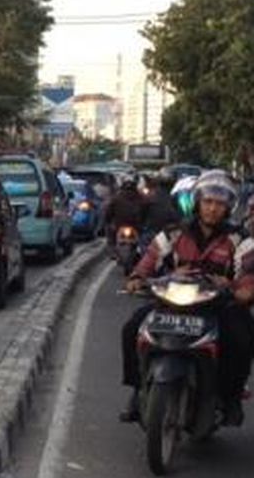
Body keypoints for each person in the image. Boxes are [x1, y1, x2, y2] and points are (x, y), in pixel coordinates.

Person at [118, 170, 254, 425]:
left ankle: (230, 397)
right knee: (131, 328)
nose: (212, 209)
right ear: (197, 202)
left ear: (228, 208)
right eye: (208, 202)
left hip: (218, 306)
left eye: (219, 204)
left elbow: (248, 272)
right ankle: (137, 390)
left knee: (241, 338)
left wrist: (238, 288)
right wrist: (138, 278)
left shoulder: (240, 240)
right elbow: (149, 259)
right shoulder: (174, 233)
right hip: (172, 302)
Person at [103, 177, 146, 256]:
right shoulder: (141, 198)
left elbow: (108, 212)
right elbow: (108, 212)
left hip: (126, 225)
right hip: (129, 226)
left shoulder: (116, 198)